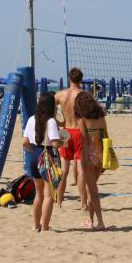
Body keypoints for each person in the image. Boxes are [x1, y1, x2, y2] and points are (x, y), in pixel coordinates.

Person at [22, 93, 64, 232]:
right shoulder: (50, 121)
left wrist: (33, 151)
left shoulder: (31, 119)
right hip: (48, 156)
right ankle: (45, 227)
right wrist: (63, 140)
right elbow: (55, 144)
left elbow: (25, 142)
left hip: (34, 155)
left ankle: (35, 226)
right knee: (48, 195)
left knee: (38, 194)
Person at [75, 91, 108, 231]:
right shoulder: (101, 117)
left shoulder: (82, 119)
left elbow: (83, 140)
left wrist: (82, 159)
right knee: (91, 189)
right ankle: (91, 220)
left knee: (93, 191)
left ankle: (100, 222)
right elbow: (106, 136)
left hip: (89, 156)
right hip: (101, 154)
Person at [54, 68, 86, 208]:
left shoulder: (60, 94)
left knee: (64, 170)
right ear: (81, 80)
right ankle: (83, 203)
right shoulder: (83, 94)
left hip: (65, 131)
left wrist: (57, 122)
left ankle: (59, 201)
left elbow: (48, 111)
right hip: (78, 131)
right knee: (80, 170)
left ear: (69, 79)